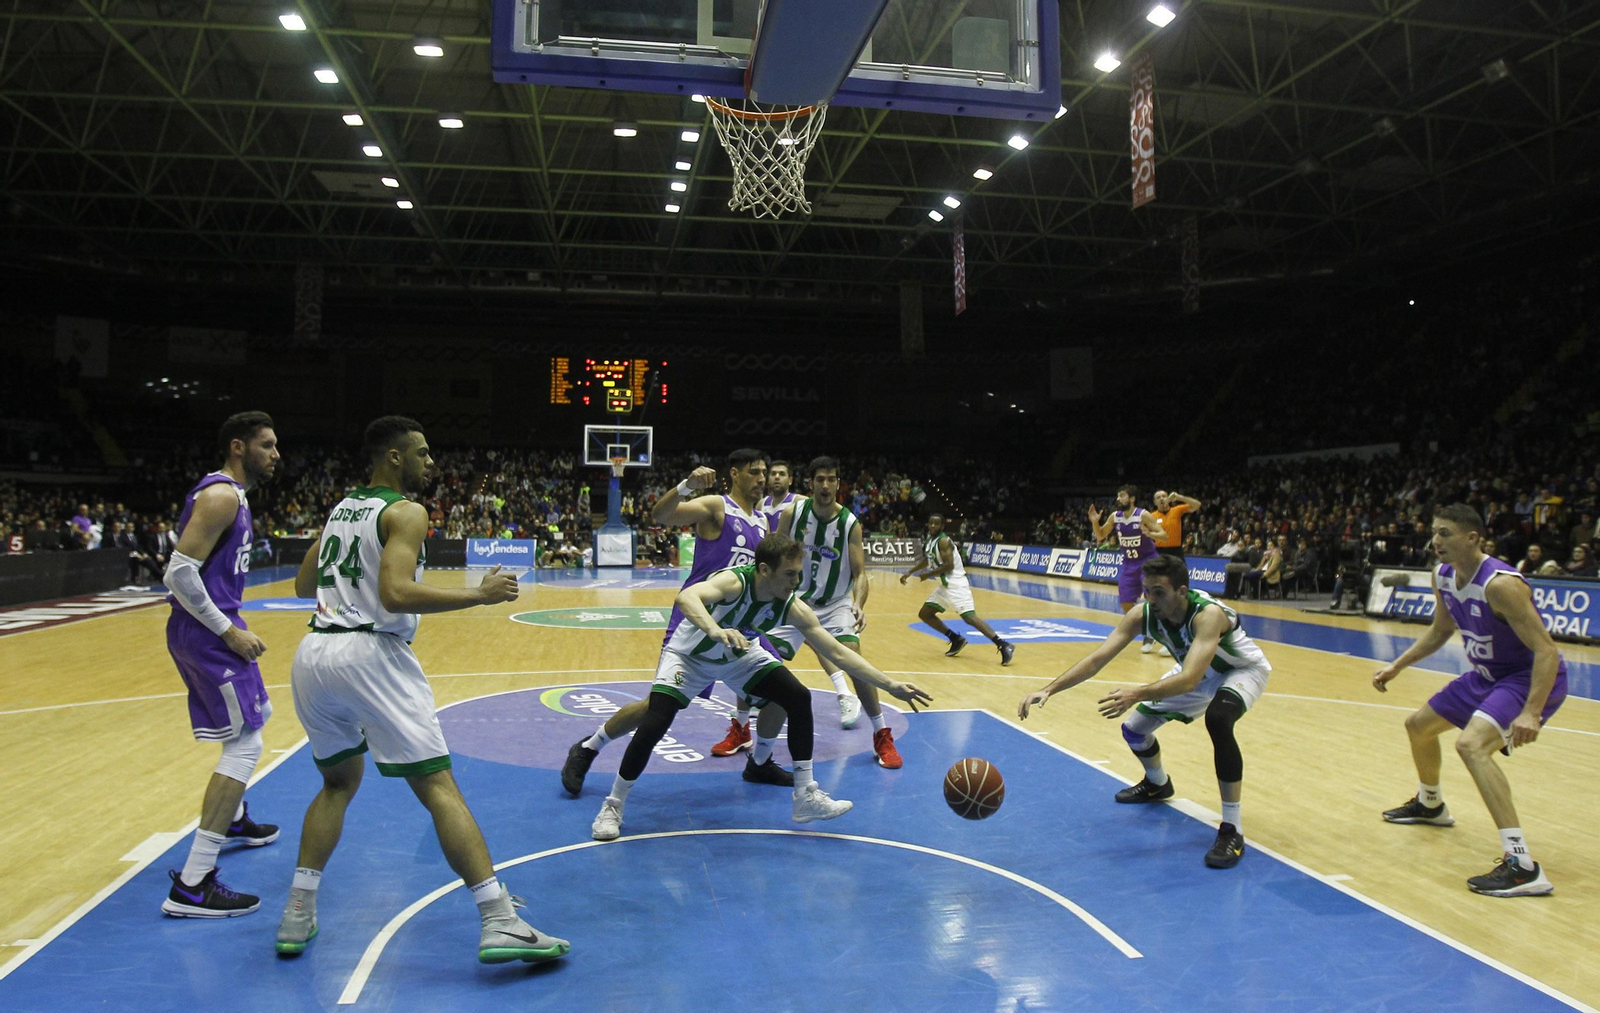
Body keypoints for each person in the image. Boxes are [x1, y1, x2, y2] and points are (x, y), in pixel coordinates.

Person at [275, 416, 569, 963]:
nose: (431, 463)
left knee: (337, 785)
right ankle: (499, 920)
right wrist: (479, 596)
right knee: (439, 788)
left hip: (315, 654)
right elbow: (394, 594)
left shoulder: (342, 508)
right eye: (424, 453)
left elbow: (302, 585)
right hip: (371, 654)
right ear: (393, 457)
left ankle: (297, 911)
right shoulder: (406, 511)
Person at [587, 533, 932, 841]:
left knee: (797, 696)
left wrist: (890, 685)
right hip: (690, 656)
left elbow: (837, 651)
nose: (796, 582)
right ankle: (613, 805)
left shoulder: (791, 605)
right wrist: (715, 630)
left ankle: (805, 795)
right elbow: (688, 598)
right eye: (789, 574)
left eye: (799, 574)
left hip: (738, 655)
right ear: (764, 571)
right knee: (657, 718)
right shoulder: (734, 583)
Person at [1018, 554, 1271, 869]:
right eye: (1146, 591)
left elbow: (1190, 679)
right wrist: (1049, 689)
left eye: (1159, 592)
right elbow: (1098, 658)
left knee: (1218, 719)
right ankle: (1158, 783)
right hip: (1194, 674)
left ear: (1182, 590)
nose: (1150, 599)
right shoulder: (1143, 614)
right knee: (1134, 729)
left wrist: (1135, 693)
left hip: (1240, 672)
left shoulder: (1208, 615)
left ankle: (1232, 829)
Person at [562, 450, 790, 794]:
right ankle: (588, 747)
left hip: (739, 623)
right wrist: (686, 486)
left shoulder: (763, 521)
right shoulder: (716, 506)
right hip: (696, 619)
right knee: (657, 708)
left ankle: (759, 761)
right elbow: (661, 514)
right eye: (754, 472)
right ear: (735, 474)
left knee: (782, 694)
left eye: (765, 472)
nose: (762, 478)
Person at [1373, 504, 1568, 897]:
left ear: (1472, 538)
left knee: (1471, 746)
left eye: (1445, 533)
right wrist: (1399, 665)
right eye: (1434, 532)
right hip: (1485, 677)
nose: (1435, 541)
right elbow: (1441, 629)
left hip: (1522, 679)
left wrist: (1532, 711)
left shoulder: (1500, 584)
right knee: (1418, 727)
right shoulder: (1442, 575)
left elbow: (1547, 651)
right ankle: (1431, 805)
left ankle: (1522, 865)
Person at [159, 412, 282, 918]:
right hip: (208, 635)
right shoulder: (222, 496)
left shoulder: (235, 496)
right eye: (268, 445)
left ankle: (232, 816)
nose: (277, 454)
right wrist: (229, 631)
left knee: (260, 718)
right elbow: (178, 574)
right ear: (238, 447)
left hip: (209, 631)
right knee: (247, 743)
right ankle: (193, 883)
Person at [772, 456, 899, 766]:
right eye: (820, 480)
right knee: (760, 655)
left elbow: (860, 574)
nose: (825, 485)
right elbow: (773, 555)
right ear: (811, 484)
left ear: (838, 484)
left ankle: (881, 734)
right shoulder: (792, 514)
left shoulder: (849, 524)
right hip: (796, 600)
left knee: (853, 657)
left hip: (835, 604)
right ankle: (740, 726)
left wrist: (858, 604)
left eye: (831, 479)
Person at [901, 513, 1013, 665]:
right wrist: (910, 572)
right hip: (946, 585)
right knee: (925, 614)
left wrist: (928, 575)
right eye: (931, 523)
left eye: (936, 524)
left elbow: (949, 565)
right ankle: (955, 638)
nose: (933, 526)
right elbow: (928, 559)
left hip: (956, 583)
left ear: (942, 526)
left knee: (969, 618)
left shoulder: (944, 541)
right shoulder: (930, 540)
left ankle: (1003, 644)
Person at [1088, 486, 1168, 653]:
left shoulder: (1142, 515)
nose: (1119, 498)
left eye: (1122, 495)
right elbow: (1101, 535)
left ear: (1132, 499)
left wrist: (1150, 534)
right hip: (1129, 563)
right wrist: (1095, 522)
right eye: (1118, 496)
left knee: (1151, 598)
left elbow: (1164, 535)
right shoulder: (1115, 517)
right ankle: (1150, 629)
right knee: (1125, 601)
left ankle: (1162, 632)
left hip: (1147, 561)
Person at [1151, 490, 1201, 560]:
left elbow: (1197, 505)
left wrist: (1179, 497)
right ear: (1155, 502)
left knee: (1181, 571)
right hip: (1159, 551)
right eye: (1158, 497)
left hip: (1176, 551)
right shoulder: (1151, 516)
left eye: (1164, 496)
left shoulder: (1177, 510)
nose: (1161, 499)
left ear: (1168, 499)